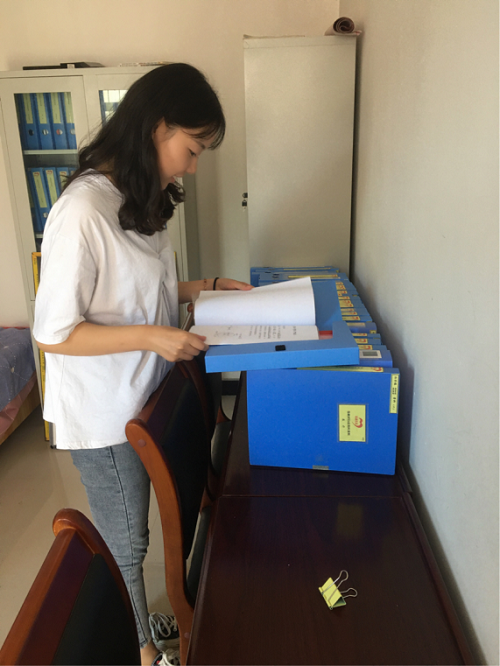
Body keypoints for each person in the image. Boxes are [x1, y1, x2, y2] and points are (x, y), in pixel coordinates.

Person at [33, 63, 252, 666]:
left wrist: (203, 288)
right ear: (159, 126)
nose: (193, 166)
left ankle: (139, 628)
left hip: (143, 395)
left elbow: (134, 290)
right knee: (126, 538)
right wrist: (155, 338)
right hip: (104, 411)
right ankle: (143, 650)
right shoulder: (82, 211)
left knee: (143, 528)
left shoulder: (136, 195)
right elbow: (54, 333)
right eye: (192, 148)